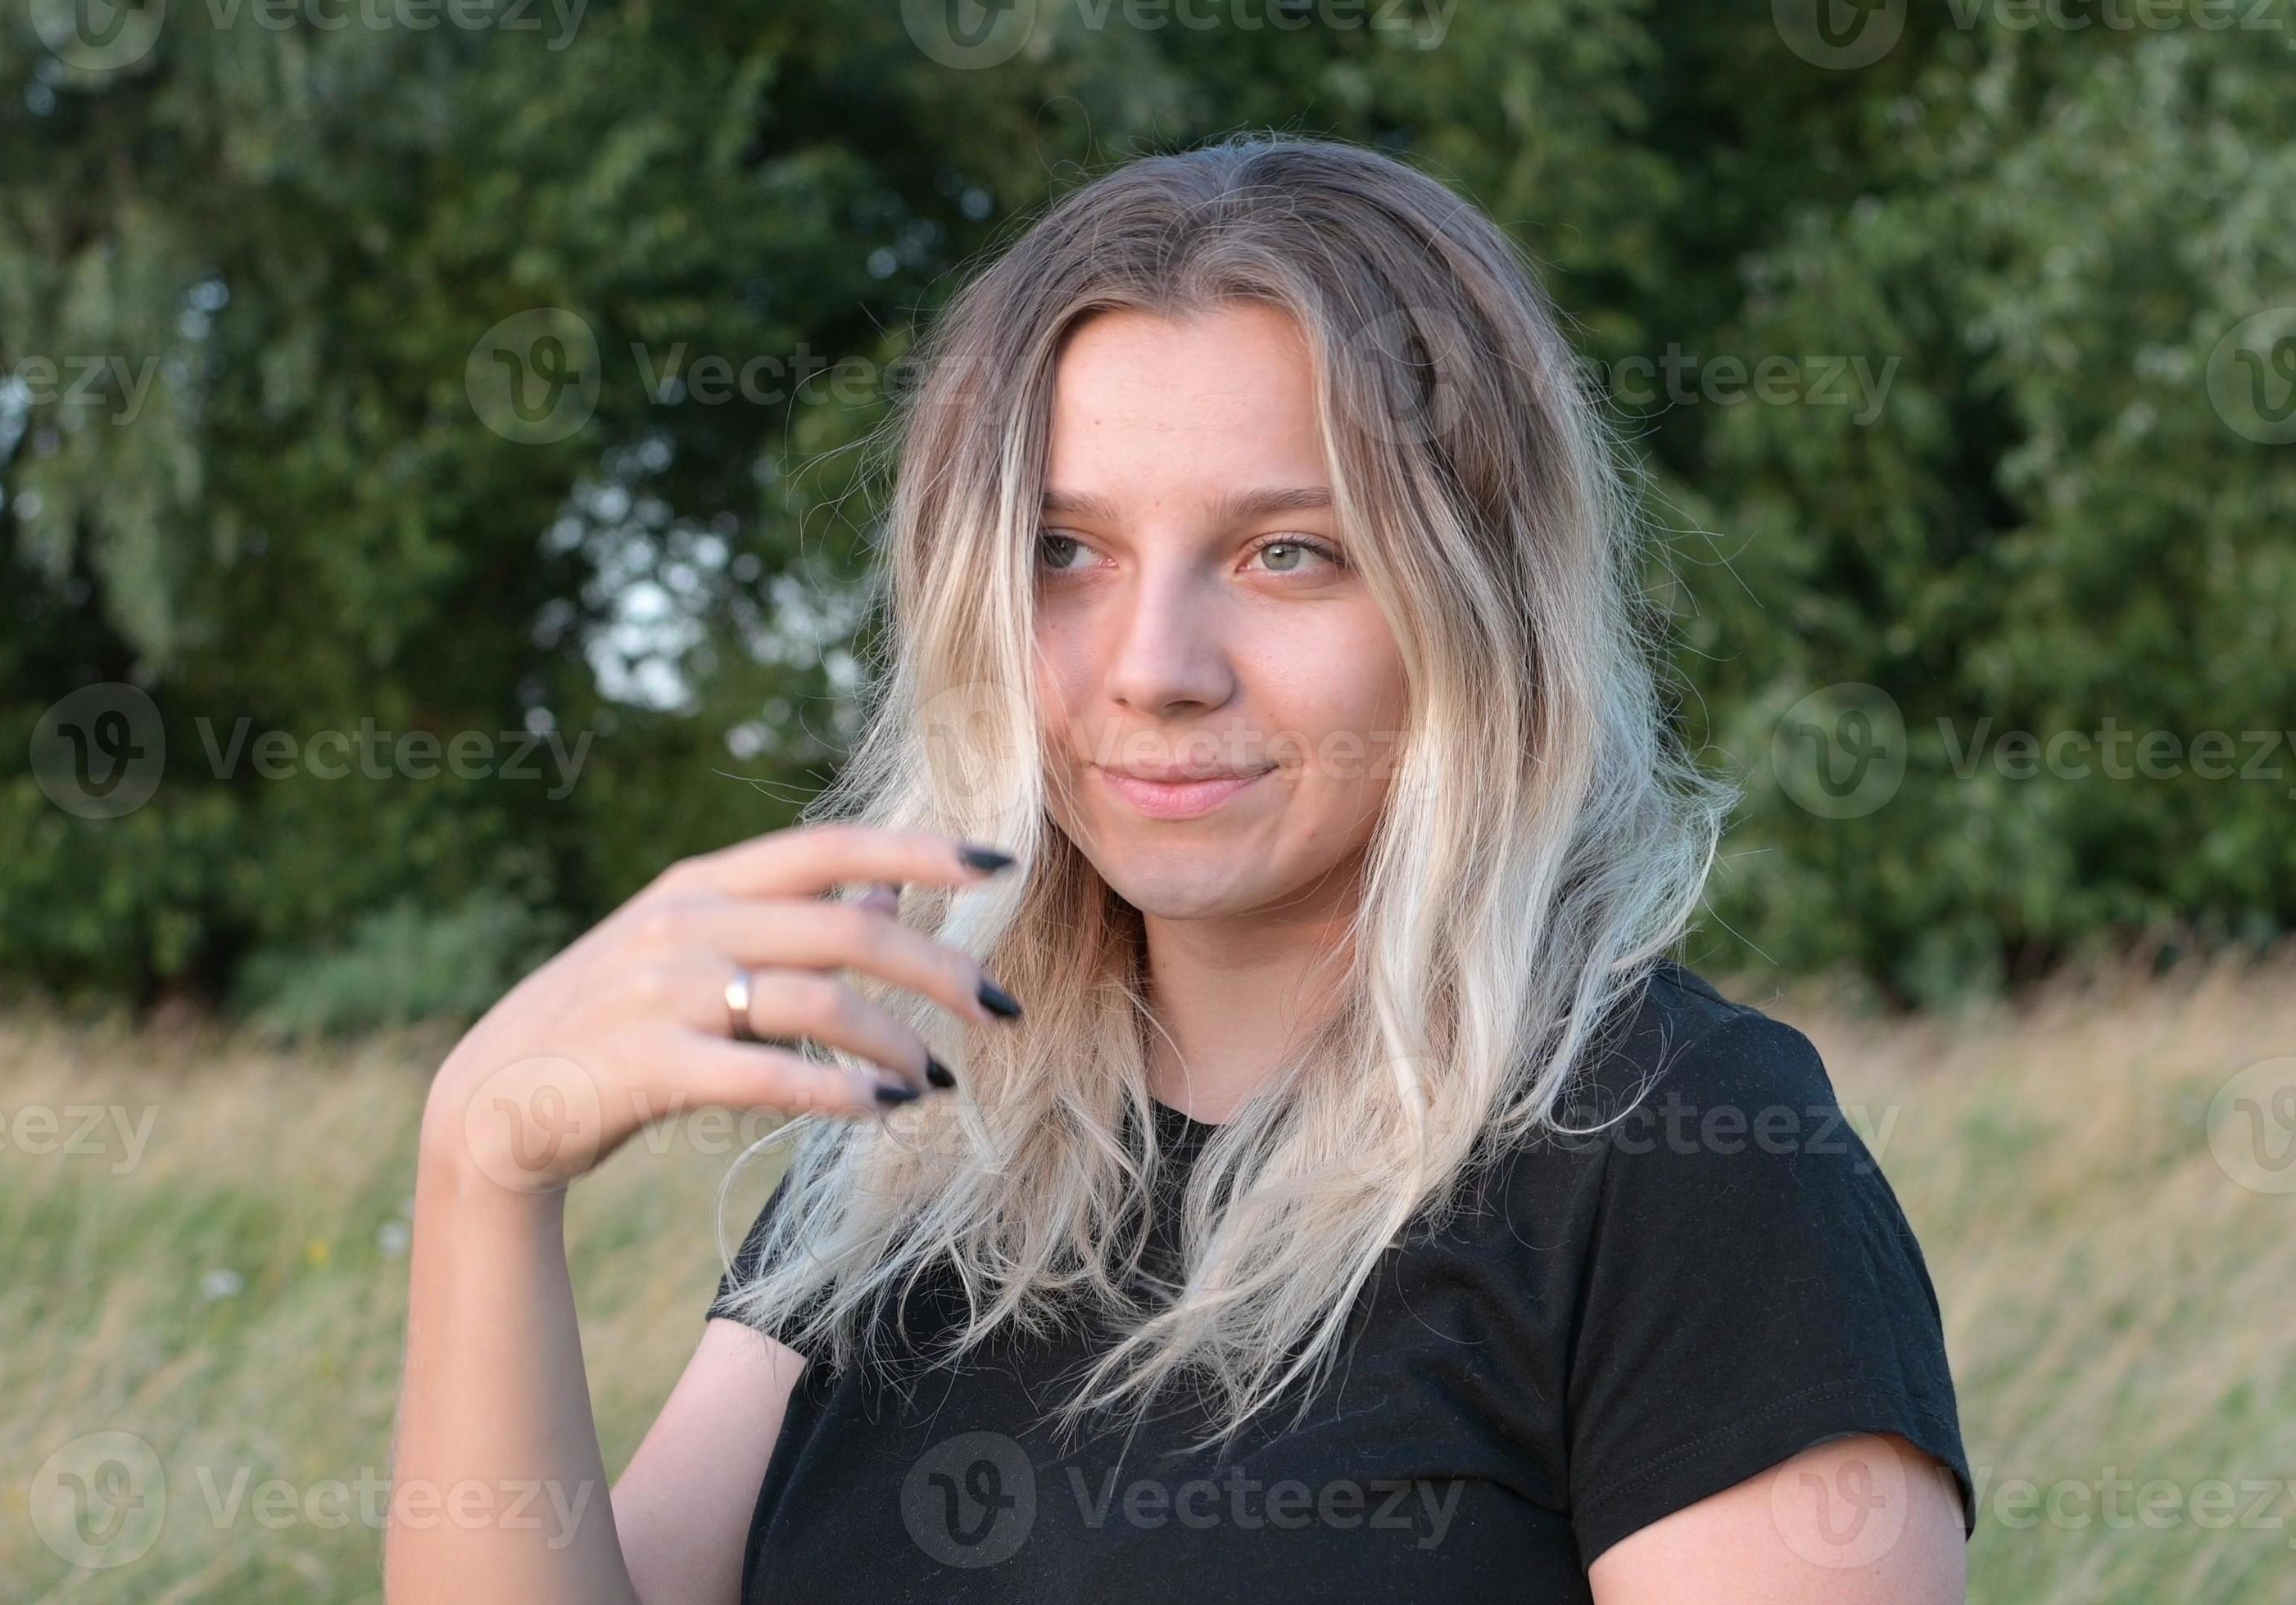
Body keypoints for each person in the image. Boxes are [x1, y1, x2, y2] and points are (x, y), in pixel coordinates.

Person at [385, 134, 1972, 1603]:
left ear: (1482, 606)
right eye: (1061, 550)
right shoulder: (924, 1136)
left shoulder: (1687, 1156)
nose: (1151, 667)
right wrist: (482, 1163)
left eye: (1286, 550)